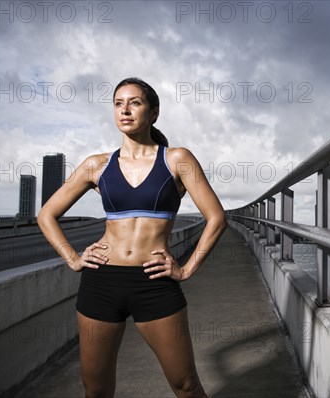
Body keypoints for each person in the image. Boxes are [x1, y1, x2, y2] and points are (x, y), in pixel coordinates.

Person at [38, 77, 227, 398]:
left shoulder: (177, 159)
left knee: (186, 384)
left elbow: (217, 217)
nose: (125, 110)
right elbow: (46, 215)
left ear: (153, 113)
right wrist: (72, 257)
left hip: (154, 283)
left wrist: (186, 269)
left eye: (135, 103)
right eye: (118, 103)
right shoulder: (96, 165)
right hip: (101, 282)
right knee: (95, 389)